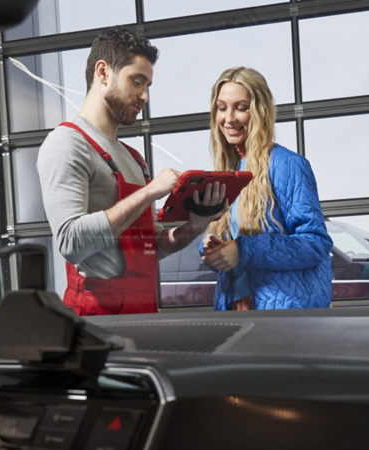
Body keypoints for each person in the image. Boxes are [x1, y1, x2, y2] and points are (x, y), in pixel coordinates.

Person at [37, 27, 228, 316]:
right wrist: (150, 191)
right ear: (103, 73)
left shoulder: (134, 158)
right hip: (97, 323)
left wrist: (195, 226)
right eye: (137, 82)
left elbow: (150, 248)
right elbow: (71, 242)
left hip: (144, 311)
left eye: (148, 85)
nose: (145, 96)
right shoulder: (67, 143)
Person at [200, 67, 333, 311]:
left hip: (284, 320)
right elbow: (233, 261)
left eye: (241, 107)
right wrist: (214, 250)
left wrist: (243, 250)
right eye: (221, 108)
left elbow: (316, 244)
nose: (228, 118)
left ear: (260, 111)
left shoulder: (286, 165)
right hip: (238, 314)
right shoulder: (226, 173)